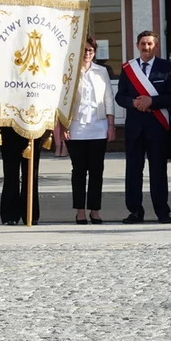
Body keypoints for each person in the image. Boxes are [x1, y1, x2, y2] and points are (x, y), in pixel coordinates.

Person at [116, 30, 171, 224]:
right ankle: (135, 211)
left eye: (150, 44)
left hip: (157, 127)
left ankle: (162, 211)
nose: (146, 47)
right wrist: (133, 103)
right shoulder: (128, 69)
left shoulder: (167, 68)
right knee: (133, 171)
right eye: (143, 44)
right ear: (137, 46)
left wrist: (152, 101)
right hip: (135, 128)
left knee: (158, 171)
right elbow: (120, 96)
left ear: (156, 45)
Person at [64, 36, 115, 225]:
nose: (87, 54)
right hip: (76, 128)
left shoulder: (102, 71)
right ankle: (80, 211)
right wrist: (63, 125)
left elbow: (108, 98)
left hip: (98, 127)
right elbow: (63, 101)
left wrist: (111, 125)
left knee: (96, 171)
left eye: (90, 51)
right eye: (84, 50)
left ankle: (95, 210)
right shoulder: (69, 71)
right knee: (78, 171)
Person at [0, 126, 44, 226]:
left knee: (32, 174)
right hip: (10, 127)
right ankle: (10, 215)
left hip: (34, 128)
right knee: (10, 173)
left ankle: (31, 213)